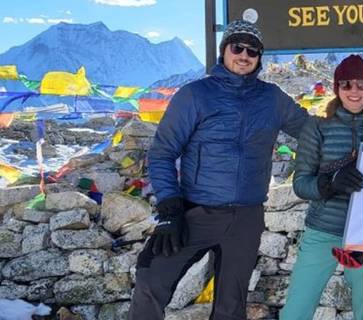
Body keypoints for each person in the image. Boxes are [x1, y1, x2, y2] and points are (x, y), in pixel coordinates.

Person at [128, 20, 308, 320]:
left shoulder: (272, 98)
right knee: (150, 279)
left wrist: (362, 129)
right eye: (237, 47)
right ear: (224, 50)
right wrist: (170, 209)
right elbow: (162, 152)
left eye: (253, 51)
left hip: (247, 217)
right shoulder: (195, 95)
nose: (244, 55)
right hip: (196, 212)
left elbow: (312, 131)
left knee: (231, 304)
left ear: (259, 58)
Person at [280, 55, 363, 320]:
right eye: (346, 85)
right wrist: (331, 184)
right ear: (337, 88)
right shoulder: (318, 126)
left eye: (361, 84)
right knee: (296, 309)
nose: (354, 91)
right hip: (323, 230)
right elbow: (301, 184)